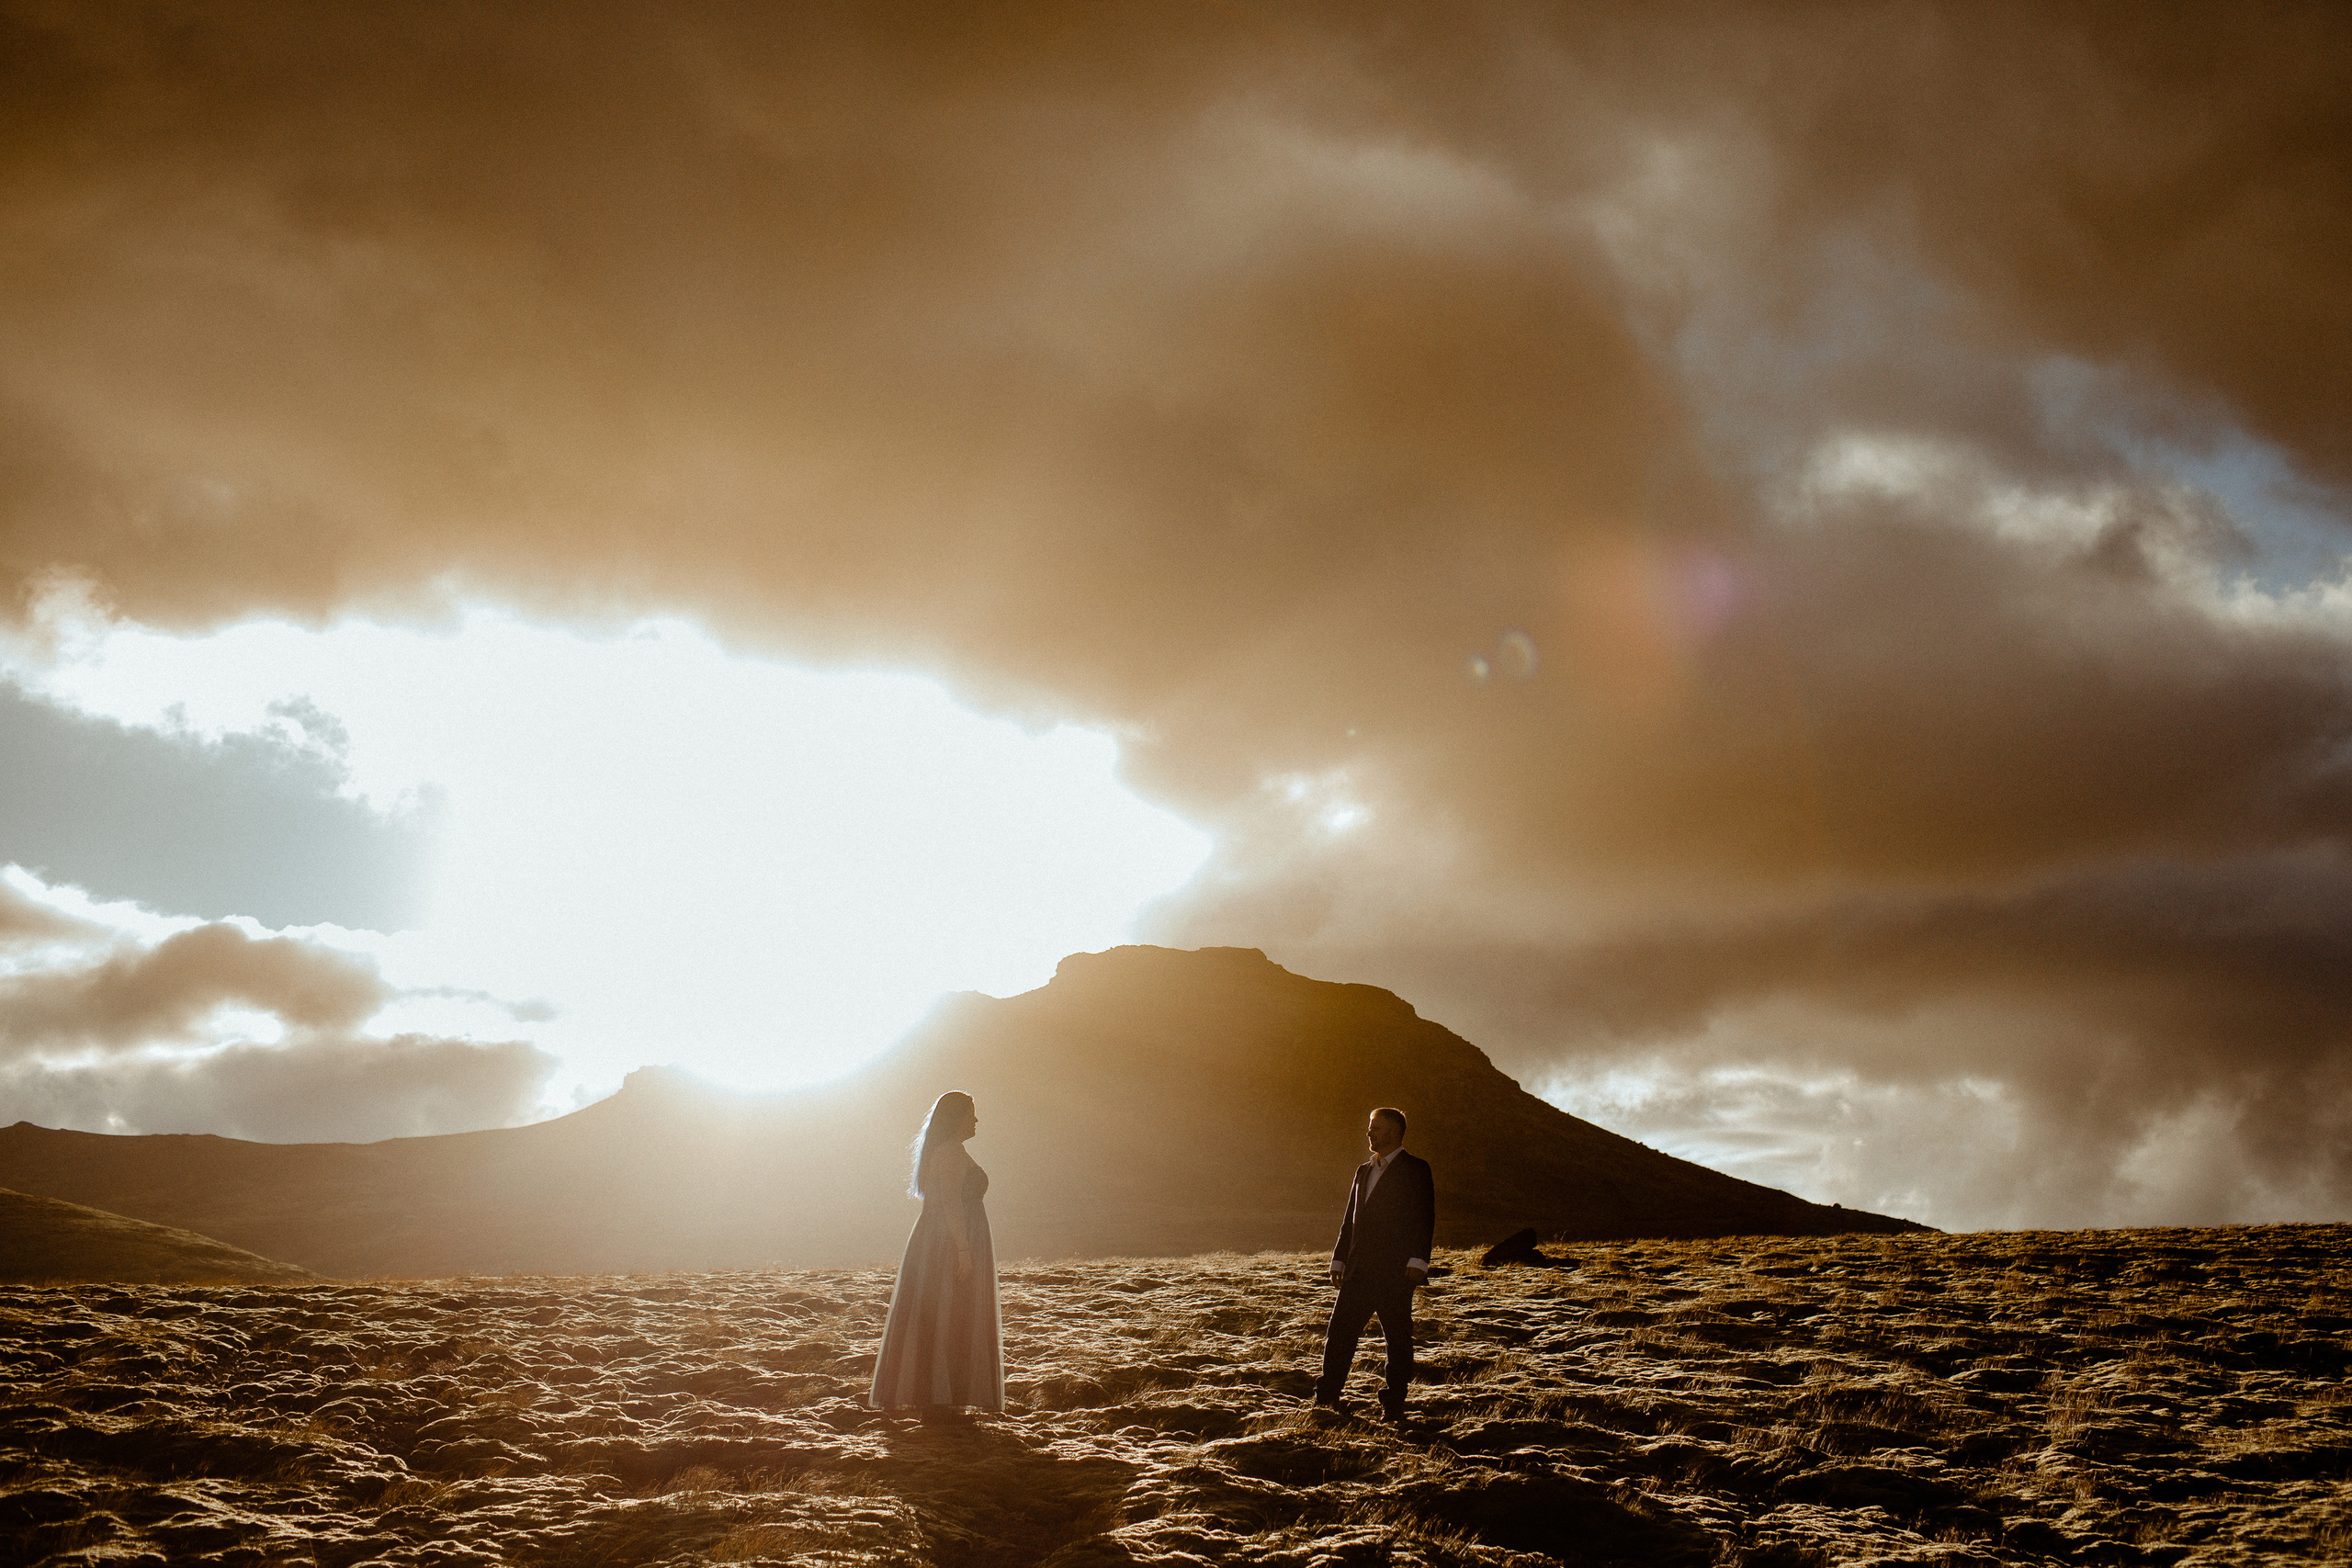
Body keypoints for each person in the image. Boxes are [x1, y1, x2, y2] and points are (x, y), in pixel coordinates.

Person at [870, 1090, 1002, 1412]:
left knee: (945, 1312)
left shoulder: (948, 1150)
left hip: (943, 1239)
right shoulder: (950, 1151)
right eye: (970, 1113)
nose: (975, 1120)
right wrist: (963, 1250)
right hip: (949, 1242)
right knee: (948, 1311)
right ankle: (940, 1395)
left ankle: (940, 1393)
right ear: (956, 1118)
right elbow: (950, 1202)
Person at [1312, 1105, 1435, 1421]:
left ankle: (1393, 1406)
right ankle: (1326, 1400)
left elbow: (1425, 1217)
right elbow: (1350, 1220)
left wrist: (1418, 1260)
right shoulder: (1362, 1171)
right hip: (1357, 1271)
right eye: (1370, 1126)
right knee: (1339, 1335)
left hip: (1396, 1273)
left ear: (1394, 1131)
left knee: (1397, 1340)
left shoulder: (1416, 1169)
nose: (1369, 1132)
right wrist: (1339, 1259)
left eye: (1376, 1127)